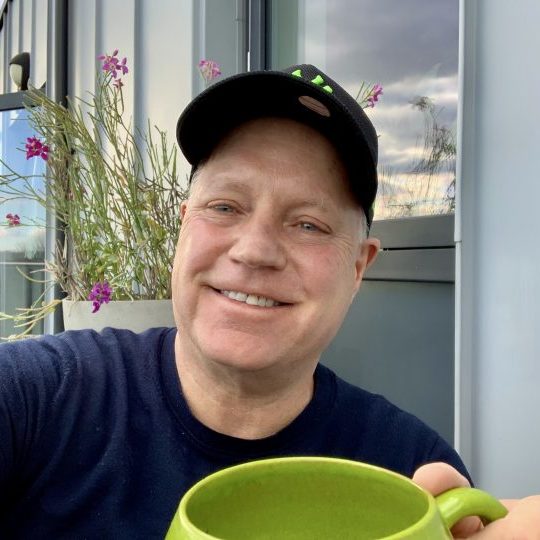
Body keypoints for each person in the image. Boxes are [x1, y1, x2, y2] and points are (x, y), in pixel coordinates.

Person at [0, 64, 538, 538]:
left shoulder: (412, 473)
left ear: (358, 267)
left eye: (308, 224)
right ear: (184, 227)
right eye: (225, 207)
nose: (255, 250)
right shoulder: (38, 397)